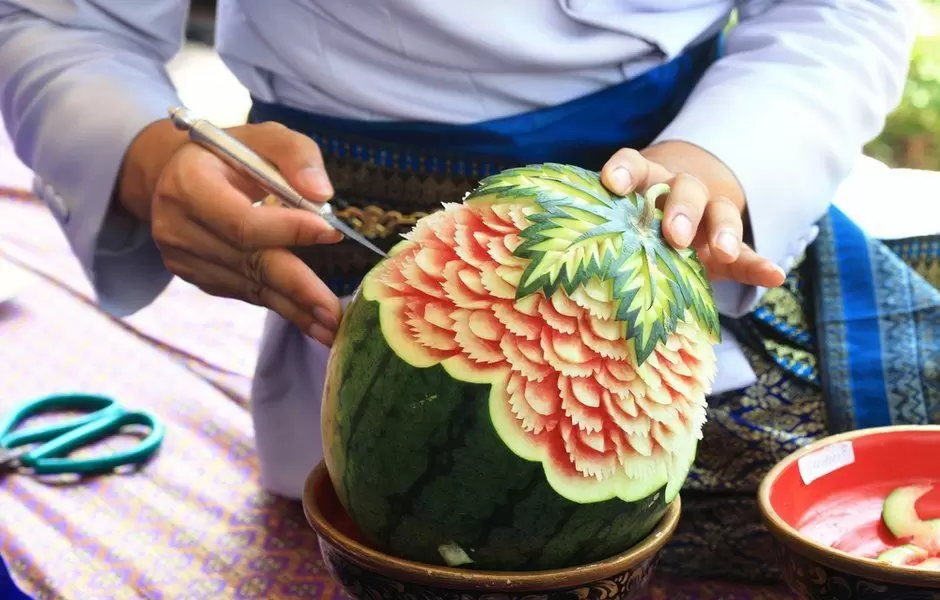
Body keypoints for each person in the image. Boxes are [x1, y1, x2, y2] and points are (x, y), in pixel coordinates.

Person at [1, 0, 935, 582]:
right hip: (350, 299)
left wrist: (722, 162)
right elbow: (58, 21)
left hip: (690, 240)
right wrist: (145, 157)